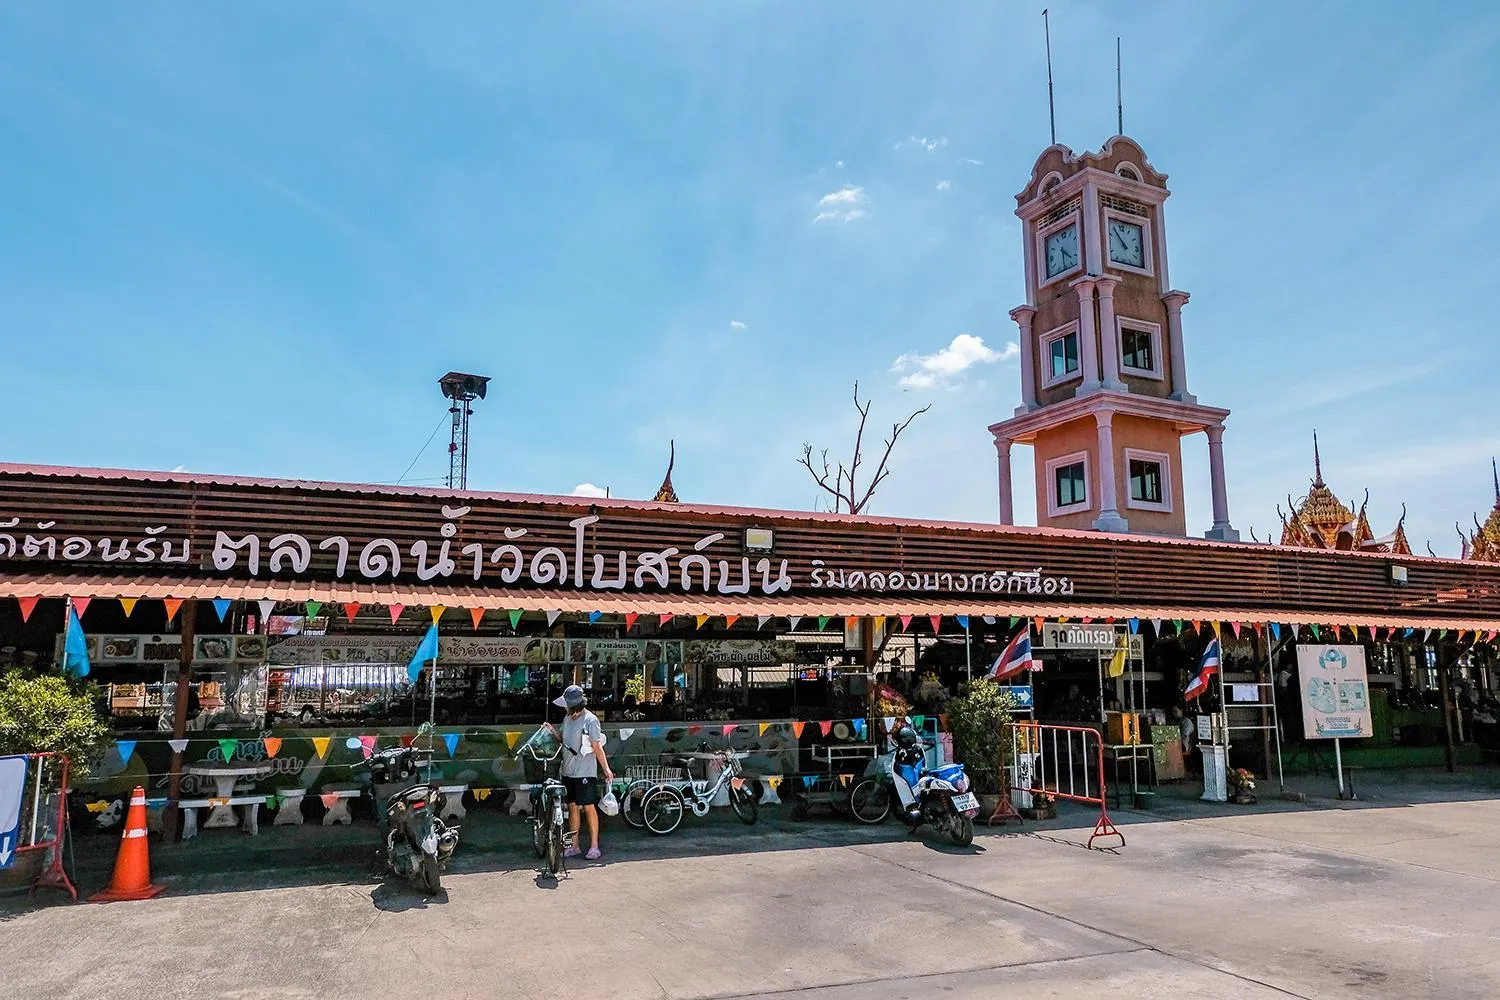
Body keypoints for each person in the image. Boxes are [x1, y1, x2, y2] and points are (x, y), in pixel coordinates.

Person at [552, 684, 613, 861]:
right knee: (572, 807)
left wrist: (606, 768)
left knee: (588, 807)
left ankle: (594, 846)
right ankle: (574, 845)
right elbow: (562, 740)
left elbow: (597, 746)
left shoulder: (590, 720)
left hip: (585, 772)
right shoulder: (567, 719)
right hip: (568, 771)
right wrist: (552, 731)